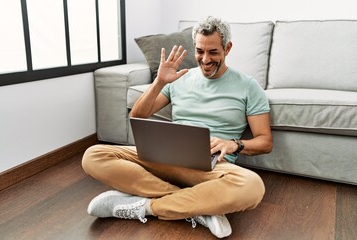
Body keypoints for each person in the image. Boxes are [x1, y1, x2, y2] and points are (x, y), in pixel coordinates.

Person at [82, 16, 273, 238]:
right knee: (93, 155)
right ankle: (199, 205)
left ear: (227, 48)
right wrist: (160, 82)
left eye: (213, 52)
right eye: (200, 51)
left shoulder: (248, 86)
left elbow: (264, 141)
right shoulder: (179, 79)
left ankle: (145, 207)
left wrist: (233, 145)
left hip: (210, 168)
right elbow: (138, 115)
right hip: (162, 159)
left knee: (252, 186)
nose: (205, 59)